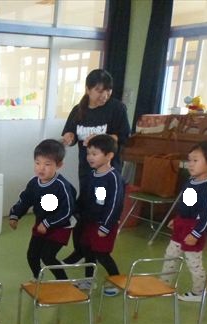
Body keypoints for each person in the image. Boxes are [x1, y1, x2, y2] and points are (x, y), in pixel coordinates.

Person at [61, 134, 124, 296]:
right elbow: (85, 198)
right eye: (88, 153)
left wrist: (106, 226)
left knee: (101, 254)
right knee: (87, 250)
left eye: (95, 154)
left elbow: (114, 205)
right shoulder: (91, 175)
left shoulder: (113, 178)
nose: (90, 157)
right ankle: (89, 280)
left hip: (104, 224)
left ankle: (117, 281)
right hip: (89, 222)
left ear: (109, 156)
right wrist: (74, 213)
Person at [162, 141, 207, 302]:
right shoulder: (190, 181)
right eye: (189, 160)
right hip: (181, 225)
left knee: (193, 263)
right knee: (170, 255)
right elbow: (186, 204)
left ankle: (198, 293)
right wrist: (177, 219)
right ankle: (164, 284)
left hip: (194, 230)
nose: (191, 164)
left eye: (196, 160)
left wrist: (195, 234)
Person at [9, 139, 76, 280]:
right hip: (40, 225)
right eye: (37, 163)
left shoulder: (62, 186)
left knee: (48, 256)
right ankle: (38, 278)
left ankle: (64, 281)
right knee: (32, 254)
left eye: (47, 164)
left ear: (59, 165)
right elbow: (25, 200)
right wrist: (15, 215)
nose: (41, 168)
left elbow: (67, 210)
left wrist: (47, 223)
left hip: (60, 227)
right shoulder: (34, 183)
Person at [61, 68, 131, 191]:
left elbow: (124, 136)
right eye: (99, 91)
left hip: (108, 170)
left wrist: (100, 139)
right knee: (87, 198)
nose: (104, 95)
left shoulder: (117, 108)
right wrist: (69, 137)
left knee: (103, 199)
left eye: (108, 90)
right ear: (88, 89)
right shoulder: (78, 110)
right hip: (86, 168)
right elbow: (71, 134)